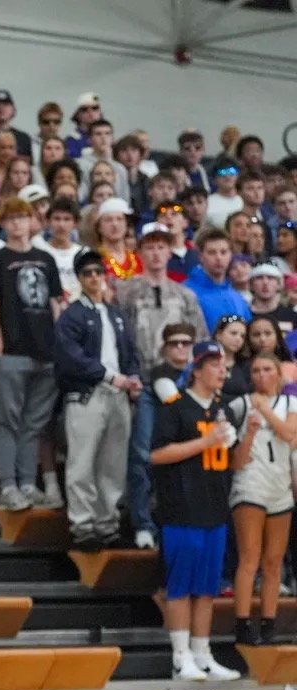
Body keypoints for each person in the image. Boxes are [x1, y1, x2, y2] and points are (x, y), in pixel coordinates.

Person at [150, 340, 246, 683]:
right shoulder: (175, 407)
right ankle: (180, 657)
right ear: (198, 369)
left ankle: (203, 653)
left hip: (215, 507)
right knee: (180, 586)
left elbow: (237, 462)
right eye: (215, 365)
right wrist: (205, 443)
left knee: (207, 588)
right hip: (181, 508)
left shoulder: (223, 409)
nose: (222, 370)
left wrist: (247, 436)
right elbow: (157, 455)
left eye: (223, 365)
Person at [115, 222, 208, 549]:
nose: (156, 253)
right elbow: (119, 340)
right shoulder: (125, 291)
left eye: (161, 247)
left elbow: (200, 341)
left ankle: (175, 516)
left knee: (181, 451)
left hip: (180, 384)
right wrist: (128, 377)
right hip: (142, 382)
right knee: (142, 454)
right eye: (150, 247)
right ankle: (142, 521)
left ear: (170, 251)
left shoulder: (185, 295)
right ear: (140, 251)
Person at [0, 197, 65, 512]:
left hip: (46, 352)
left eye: (22, 217)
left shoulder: (46, 258)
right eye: (11, 218)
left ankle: (28, 483)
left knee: (35, 422)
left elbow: (55, 304)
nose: (17, 223)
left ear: (32, 221)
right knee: (8, 420)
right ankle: (8, 486)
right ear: (2, 224)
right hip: (13, 351)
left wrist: (58, 344)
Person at [54, 249, 141, 550]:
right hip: (87, 394)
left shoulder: (116, 314)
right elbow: (71, 358)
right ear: (79, 279)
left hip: (118, 394)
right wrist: (108, 375)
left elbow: (130, 352)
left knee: (113, 464)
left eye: (98, 272)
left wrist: (133, 377)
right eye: (87, 273)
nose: (94, 278)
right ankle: (83, 524)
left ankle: (107, 522)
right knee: (82, 462)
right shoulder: (72, 316)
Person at [227, 354, 297, 646]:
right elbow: (233, 457)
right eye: (255, 370)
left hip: (280, 486)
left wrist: (265, 410)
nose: (261, 374)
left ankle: (269, 624)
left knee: (273, 561)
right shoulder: (240, 405)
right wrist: (250, 430)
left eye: (267, 369)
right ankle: (242, 624)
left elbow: (289, 434)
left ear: (279, 373)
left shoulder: (290, 403)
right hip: (250, 483)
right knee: (250, 557)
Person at [186, 228, 250, 332]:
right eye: (212, 253)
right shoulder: (187, 292)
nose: (218, 258)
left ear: (230, 255)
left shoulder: (237, 297)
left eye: (223, 252)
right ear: (200, 256)